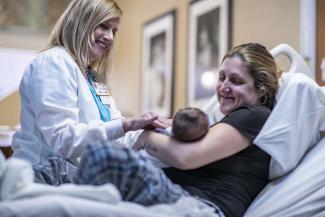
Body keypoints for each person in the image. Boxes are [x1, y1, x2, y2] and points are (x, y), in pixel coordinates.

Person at [73, 43, 280, 217]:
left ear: (261, 90)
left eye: (236, 81)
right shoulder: (230, 121)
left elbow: (185, 157)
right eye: (222, 77)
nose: (224, 87)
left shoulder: (254, 115)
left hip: (201, 207)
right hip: (182, 196)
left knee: (103, 156)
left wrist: (145, 136)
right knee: (58, 168)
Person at [11, 0, 169, 185]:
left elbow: (116, 136)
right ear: (81, 22)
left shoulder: (92, 78)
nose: (110, 37)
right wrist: (129, 124)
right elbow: (64, 140)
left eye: (114, 31)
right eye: (104, 26)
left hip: (75, 179)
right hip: (41, 178)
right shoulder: (53, 62)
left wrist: (159, 128)